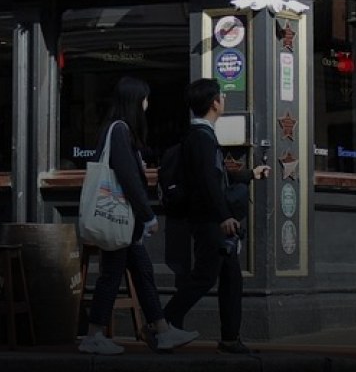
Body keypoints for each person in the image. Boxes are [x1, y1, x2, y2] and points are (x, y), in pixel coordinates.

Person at [78, 76, 200, 356]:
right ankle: (94, 335)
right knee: (111, 275)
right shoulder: (119, 130)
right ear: (135, 100)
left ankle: (162, 330)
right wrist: (147, 215)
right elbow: (128, 177)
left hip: (125, 222)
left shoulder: (116, 129)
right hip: (121, 218)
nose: (147, 104)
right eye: (144, 98)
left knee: (143, 273)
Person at [162, 78, 271, 354]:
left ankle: (230, 338)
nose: (224, 99)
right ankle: (162, 323)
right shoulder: (201, 138)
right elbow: (207, 181)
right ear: (214, 103)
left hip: (210, 218)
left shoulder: (202, 136)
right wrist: (224, 216)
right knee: (204, 277)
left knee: (231, 278)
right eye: (221, 96)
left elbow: (215, 176)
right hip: (210, 220)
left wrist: (248, 174)